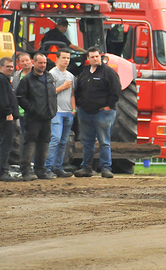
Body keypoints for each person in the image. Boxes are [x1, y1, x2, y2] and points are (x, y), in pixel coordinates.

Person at [74, 47, 121, 179]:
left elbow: (116, 91)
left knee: (104, 141)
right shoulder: (84, 74)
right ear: (88, 59)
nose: (96, 59)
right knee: (87, 141)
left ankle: (106, 168)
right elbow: (78, 91)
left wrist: (109, 106)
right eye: (93, 57)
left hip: (103, 113)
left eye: (97, 56)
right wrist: (79, 105)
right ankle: (86, 168)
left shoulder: (109, 73)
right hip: (85, 112)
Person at [15, 53, 58, 181]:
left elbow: (52, 95)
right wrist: (31, 109)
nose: (43, 65)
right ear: (34, 62)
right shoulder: (27, 80)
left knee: (44, 144)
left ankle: (40, 170)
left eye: (44, 63)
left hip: (47, 116)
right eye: (40, 63)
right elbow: (20, 97)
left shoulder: (49, 77)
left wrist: (52, 110)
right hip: (33, 118)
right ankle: (26, 171)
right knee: (30, 144)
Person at [45, 48, 76, 178]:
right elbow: (49, 93)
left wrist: (73, 110)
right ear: (57, 59)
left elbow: (72, 94)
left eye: (68, 58)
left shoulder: (70, 75)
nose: (66, 60)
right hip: (56, 111)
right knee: (55, 139)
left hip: (68, 112)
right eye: (63, 58)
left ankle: (58, 167)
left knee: (64, 141)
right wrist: (62, 87)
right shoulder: (52, 74)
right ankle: (47, 167)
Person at [0, 57, 20, 182]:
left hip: (3, 117)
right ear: (0, 67)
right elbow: (2, 99)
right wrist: (8, 113)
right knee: (5, 145)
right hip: (4, 117)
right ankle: (2, 172)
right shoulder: (0, 80)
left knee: (2, 144)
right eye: (8, 66)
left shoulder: (3, 80)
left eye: (12, 66)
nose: (10, 69)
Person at [12, 52, 33, 140]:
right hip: (21, 113)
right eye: (22, 61)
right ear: (19, 63)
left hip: (34, 113)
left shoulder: (38, 75)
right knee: (24, 137)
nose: (25, 63)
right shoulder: (16, 76)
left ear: (31, 61)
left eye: (27, 60)